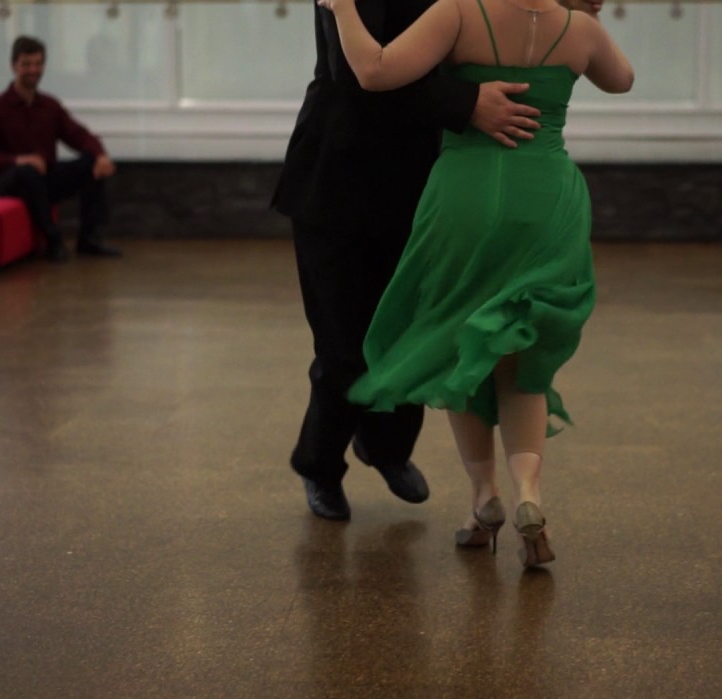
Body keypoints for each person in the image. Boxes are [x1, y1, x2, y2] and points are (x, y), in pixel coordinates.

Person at [321, 0, 634, 566]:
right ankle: (529, 496)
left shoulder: (458, 14)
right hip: (546, 198)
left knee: (458, 339)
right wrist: (580, 19)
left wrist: (343, 8)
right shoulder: (579, 30)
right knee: (524, 361)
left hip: (465, 196)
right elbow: (622, 80)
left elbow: (373, 71)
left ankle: (484, 496)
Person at [272, 0, 551, 522]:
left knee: (412, 333)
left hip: (420, 184)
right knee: (345, 346)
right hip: (336, 181)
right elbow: (358, 74)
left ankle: (386, 448)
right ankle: (321, 466)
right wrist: (466, 101)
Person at [0, 35, 122, 263]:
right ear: (14, 66)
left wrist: (100, 154)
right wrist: (19, 160)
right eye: (26, 64)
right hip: (9, 181)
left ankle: (89, 239)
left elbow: (78, 134)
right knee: (28, 172)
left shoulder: (49, 106)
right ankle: (53, 240)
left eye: (38, 63)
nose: (33, 70)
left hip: (44, 179)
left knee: (91, 162)